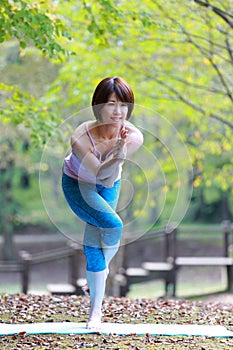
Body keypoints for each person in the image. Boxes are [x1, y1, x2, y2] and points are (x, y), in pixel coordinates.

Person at [62, 76, 143, 330]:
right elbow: (97, 175)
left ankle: (95, 312)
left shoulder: (133, 136)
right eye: (111, 104)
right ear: (98, 106)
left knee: (95, 242)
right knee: (113, 225)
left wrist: (119, 155)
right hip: (78, 184)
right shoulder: (81, 136)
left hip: (110, 184)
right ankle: (101, 279)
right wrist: (116, 156)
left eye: (123, 105)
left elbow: (109, 182)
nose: (118, 111)